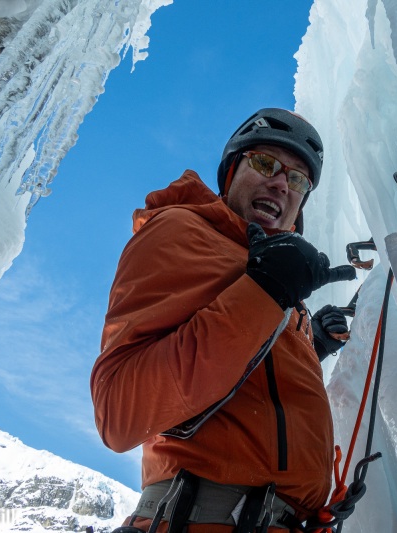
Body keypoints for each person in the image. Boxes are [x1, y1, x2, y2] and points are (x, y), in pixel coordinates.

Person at [91, 108, 356, 533]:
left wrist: (312, 346)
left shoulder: (275, 280)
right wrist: (267, 290)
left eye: (298, 180)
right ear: (232, 171)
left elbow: (242, 382)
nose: (280, 183)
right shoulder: (181, 231)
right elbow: (118, 412)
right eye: (266, 164)